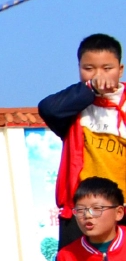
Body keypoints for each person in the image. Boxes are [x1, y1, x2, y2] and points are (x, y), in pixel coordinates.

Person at [39, 33, 125, 248]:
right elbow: (48, 108)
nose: (99, 75)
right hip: (80, 212)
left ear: (120, 70)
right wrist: (91, 89)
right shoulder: (74, 107)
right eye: (89, 69)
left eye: (107, 69)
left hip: (121, 208)